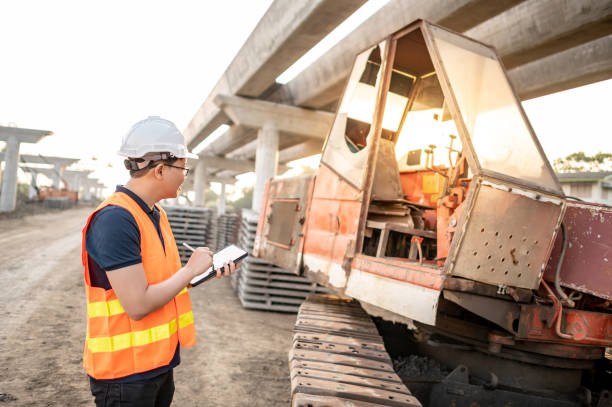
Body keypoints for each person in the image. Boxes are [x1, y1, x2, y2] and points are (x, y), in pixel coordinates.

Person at [82, 116, 237, 406]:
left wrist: (202, 273)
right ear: (161, 169)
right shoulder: (116, 219)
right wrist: (189, 270)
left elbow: (162, 282)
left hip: (157, 364)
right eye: (184, 168)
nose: (186, 175)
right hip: (125, 376)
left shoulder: (156, 214)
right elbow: (138, 305)